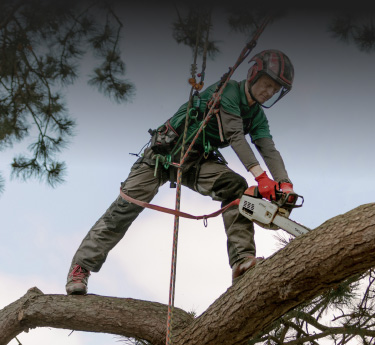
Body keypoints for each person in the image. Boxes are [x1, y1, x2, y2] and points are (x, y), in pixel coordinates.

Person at [66, 49, 295, 294]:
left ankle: (242, 262)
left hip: (196, 161)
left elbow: (267, 146)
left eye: (275, 88)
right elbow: (235, 136)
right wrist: (261, 178)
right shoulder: (228, 91)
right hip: (163, 155)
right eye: (268, 84)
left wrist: (284, 184)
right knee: (124, 209)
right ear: (254, 74)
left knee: (235, 187)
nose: (269, 91)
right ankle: (80, 268)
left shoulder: (257, 116)